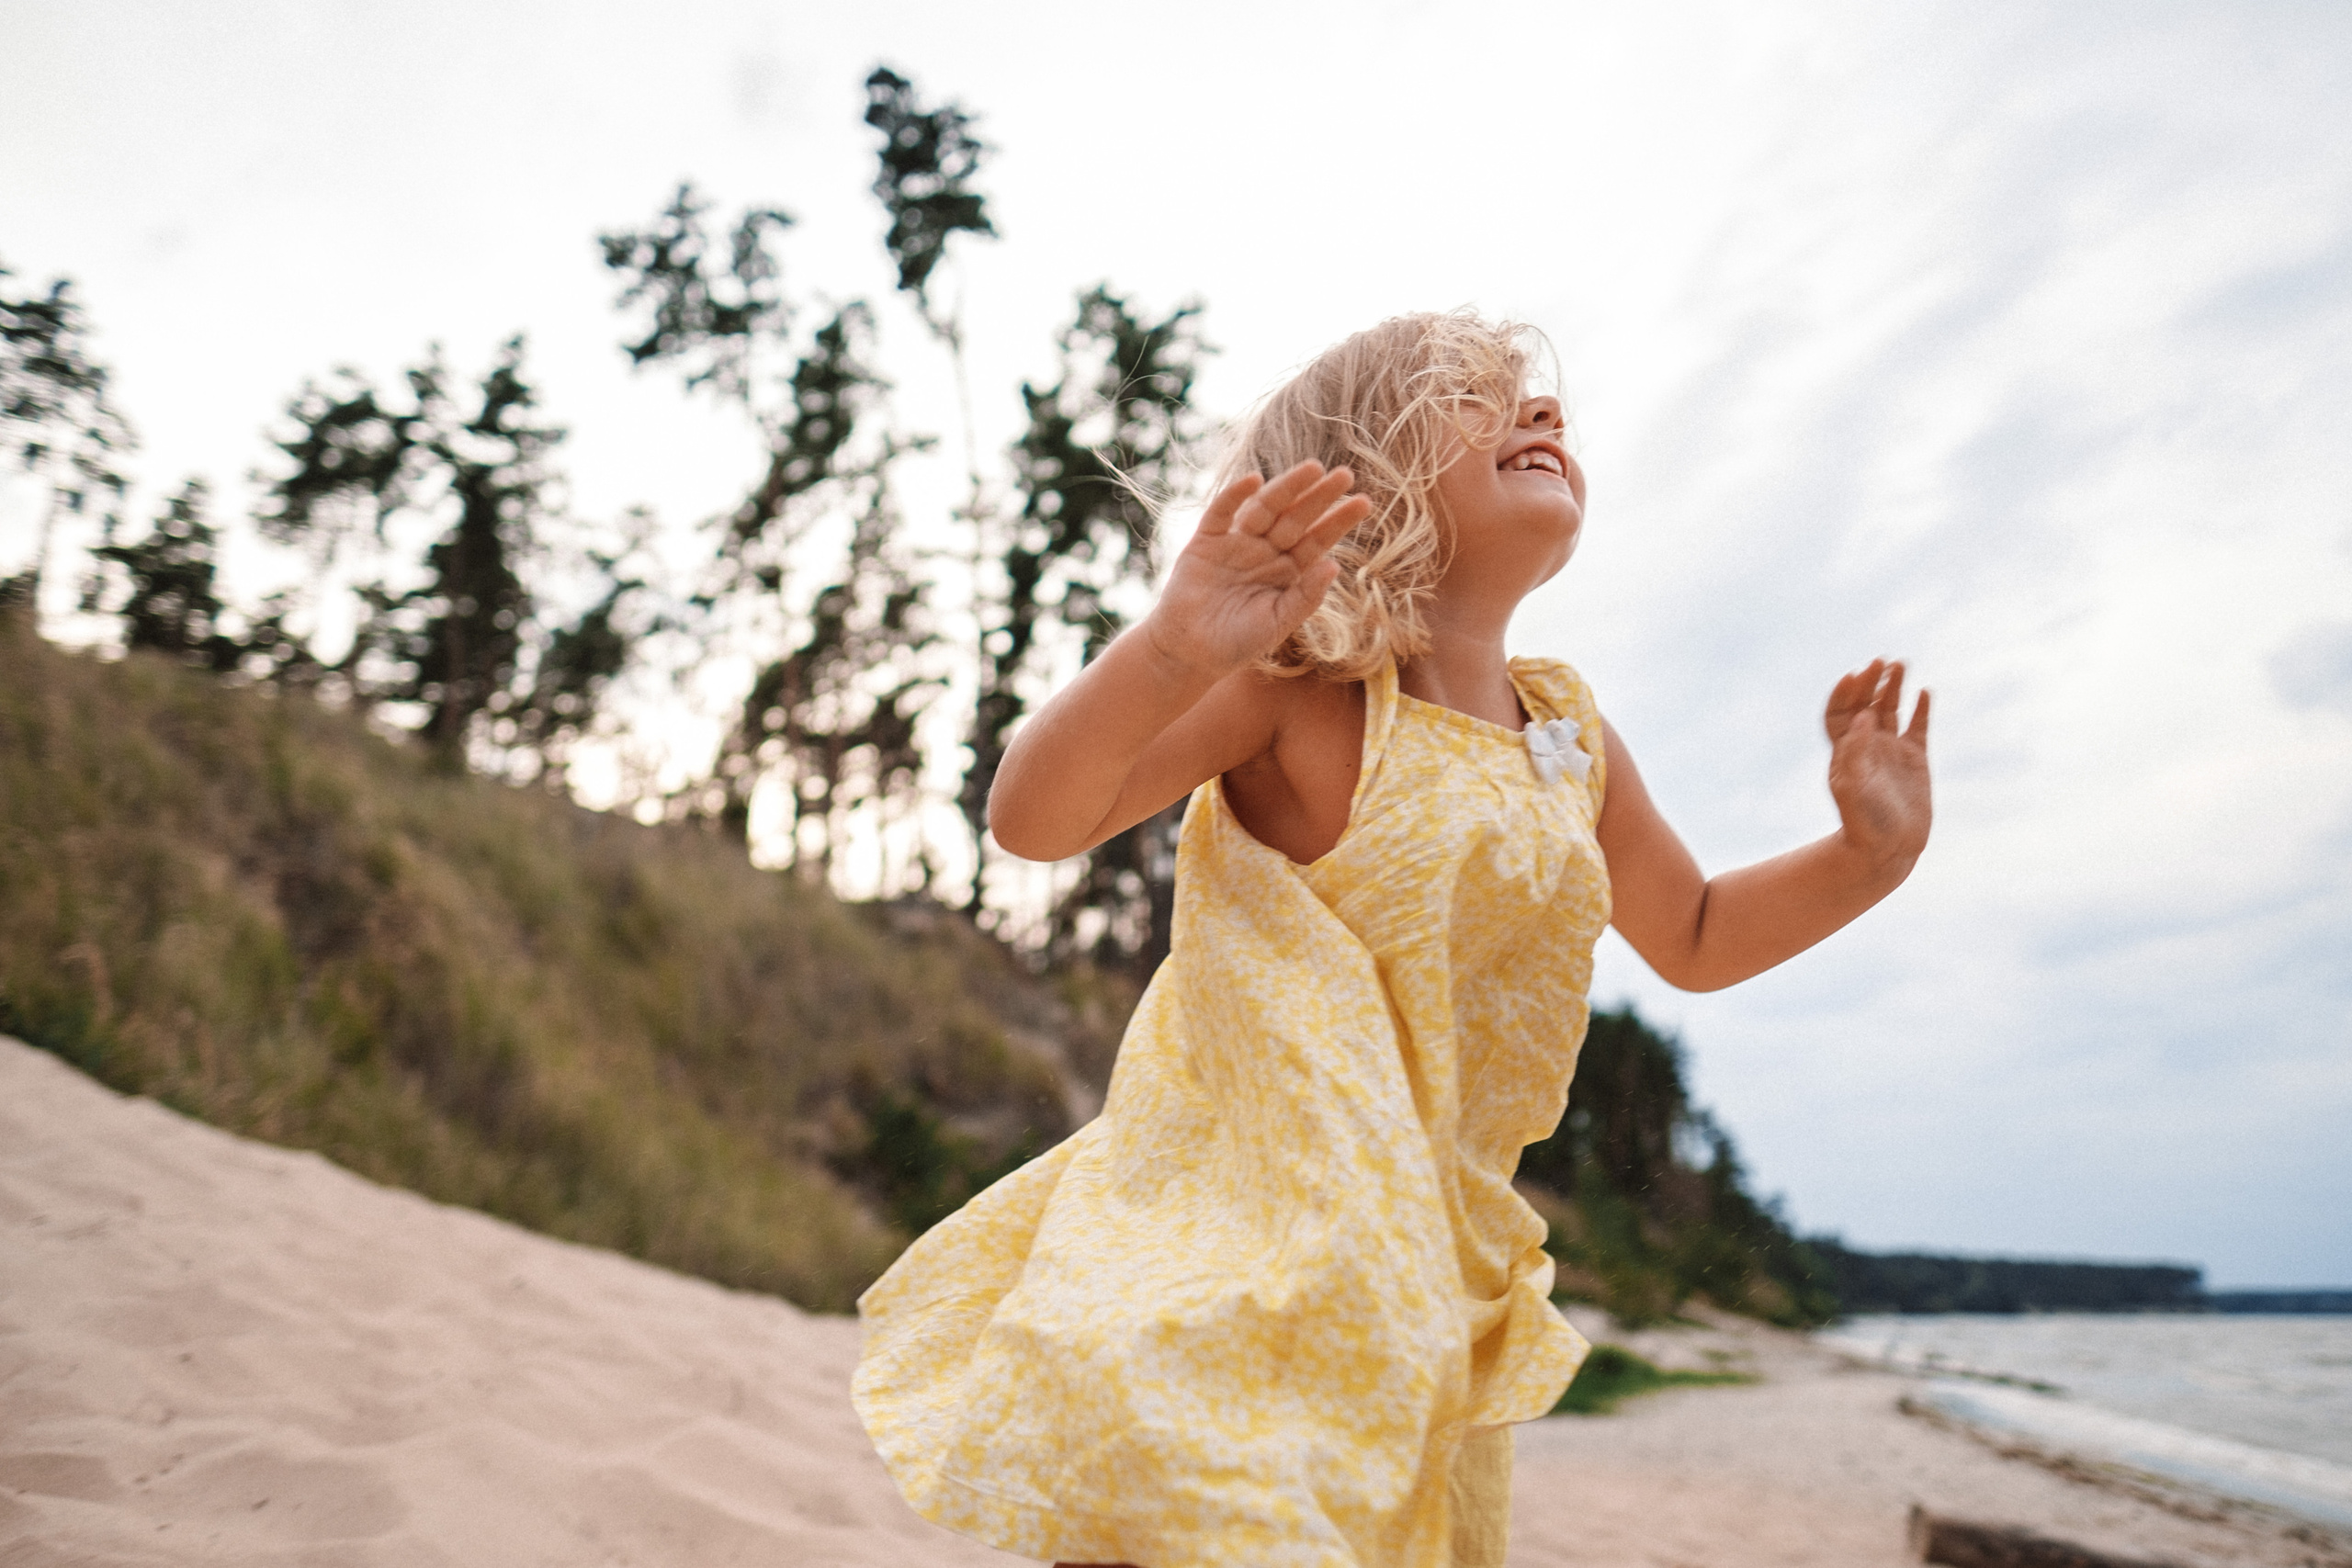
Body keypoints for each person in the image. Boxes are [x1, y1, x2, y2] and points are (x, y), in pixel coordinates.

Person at [854, 311, 1933, 1568]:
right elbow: (1036, 819)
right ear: (1356, 475)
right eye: (1475, 397)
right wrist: (1172, 649)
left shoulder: (1570, 735)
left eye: (1540, 399)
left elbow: (1695, 935)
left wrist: (1866, 857)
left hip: (1430, 1260)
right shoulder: (1299, 690)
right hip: (1243, 1229)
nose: (1542, 414)